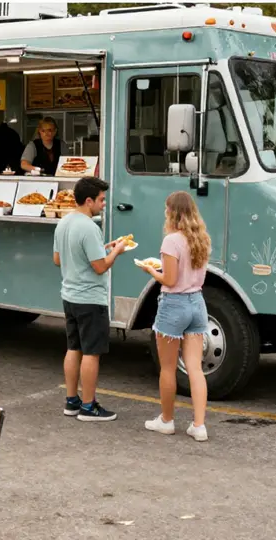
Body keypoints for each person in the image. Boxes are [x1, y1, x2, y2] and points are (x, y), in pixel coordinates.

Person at [53, 176, 127, 422]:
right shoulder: (89, 226)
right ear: (88, 201)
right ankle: (88, 407)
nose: (104, 204)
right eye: (101, 200)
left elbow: (58, 259)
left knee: (73, 347)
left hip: (69, 296)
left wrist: (104, 247)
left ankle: (72, 401)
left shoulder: (64, 223)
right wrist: (116, 251)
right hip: (90, 299)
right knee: (91, 353)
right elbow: (100, 267)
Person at [141, 191, 211, 442]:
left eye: (166, 209)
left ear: (173, 213)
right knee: (195, 368)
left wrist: (152, 270)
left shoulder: (172, 241)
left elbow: (169, 280)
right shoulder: (201, 238)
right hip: (197, 303)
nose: (164, 213)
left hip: (174, 304)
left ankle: (167, 421)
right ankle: (199, 425)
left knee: (168, 369)